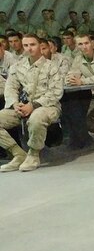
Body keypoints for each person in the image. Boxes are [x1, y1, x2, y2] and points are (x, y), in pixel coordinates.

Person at [0, 34, 63, 173]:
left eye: (32, 45)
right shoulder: (17, 67)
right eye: (26, 45)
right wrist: (15, 104)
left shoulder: (51, 67)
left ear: (40, 46)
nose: (29, 48)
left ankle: (33, 154)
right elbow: (10, 88)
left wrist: (33, 105)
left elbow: (56, 92)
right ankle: (18, 154)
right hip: (23, 106)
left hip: (47, 106)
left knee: (36, 118)